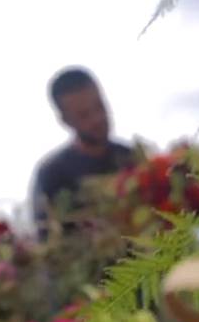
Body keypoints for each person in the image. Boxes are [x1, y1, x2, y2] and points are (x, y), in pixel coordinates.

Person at [30, 67, 135, 240]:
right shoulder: (52, 174)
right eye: (84, 115)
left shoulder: (130, 157)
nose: (97, 118)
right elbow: (49, 242)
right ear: (65, 120)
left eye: (99, 106)